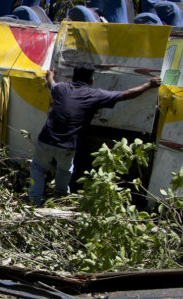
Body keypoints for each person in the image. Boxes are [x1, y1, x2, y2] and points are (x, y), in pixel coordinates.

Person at [28, 66, 161, 205]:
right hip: (67, 145)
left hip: (46, 139)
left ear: (73, 79)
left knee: (38, 167)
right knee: (64, 170)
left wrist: (50, 74)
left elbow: (51, 84)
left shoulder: (62, 88)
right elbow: (126, 94)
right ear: (91, 82)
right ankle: (60, 197)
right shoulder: (95, 95)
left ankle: (33, 201)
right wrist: (148, 85)